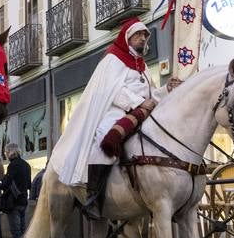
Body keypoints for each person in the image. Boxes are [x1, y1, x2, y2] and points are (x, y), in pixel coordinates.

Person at [48, 17, 168, 220]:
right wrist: (138, 103)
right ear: (128, 38)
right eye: (137, 35)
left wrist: (166, 90)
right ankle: (93, 197)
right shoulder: (113, 59)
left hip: (142, 112)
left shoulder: (143, 66)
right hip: (115, 111)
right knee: (104, 137)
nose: (142, 38)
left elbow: (152, 91)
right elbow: (113, 90)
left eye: (144, 35)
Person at [1, 142, 31, 238]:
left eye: (7, 152)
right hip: (24, 202)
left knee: (16, 234)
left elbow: (5, 184)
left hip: (13, 203)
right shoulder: (26, 165)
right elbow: (29, 185)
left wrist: (2, 181)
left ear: (11, 152)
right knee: (23, 234)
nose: (6, 155)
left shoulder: (13, 166)